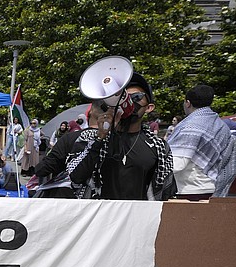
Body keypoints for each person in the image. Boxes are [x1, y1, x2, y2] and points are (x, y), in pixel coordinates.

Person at [68, 73, 175, 201]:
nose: (130, 101)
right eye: (125, 96)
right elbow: (76, 176)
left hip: (139, 218)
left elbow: (166, 192)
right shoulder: (90, 136)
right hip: (98, 216)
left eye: (137, 97)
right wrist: (99, 138)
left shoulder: (159, 147)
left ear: (149, 107)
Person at [168, 85, 236, 200]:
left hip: (188, 191)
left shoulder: (190, 126)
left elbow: (177, 164)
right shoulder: (220, 125)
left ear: (188, 103)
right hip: (211, 188)